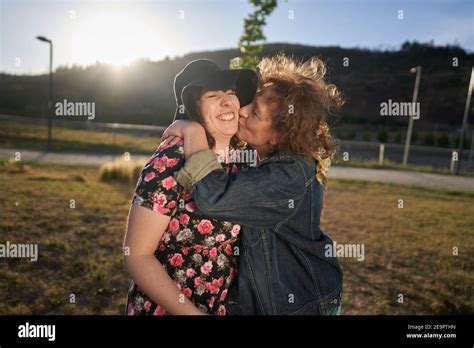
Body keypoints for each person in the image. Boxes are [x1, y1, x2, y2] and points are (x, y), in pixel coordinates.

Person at [162, 54, 344, 315]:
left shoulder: (288, 175)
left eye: (255, 113)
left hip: (302, 303)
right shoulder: (267, 154)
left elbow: (215, 197)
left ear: (278, 136)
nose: (243, 110)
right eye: (252, 101)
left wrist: (193, 132)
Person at [124, 59, 257, 315]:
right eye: (213, 95)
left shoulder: (241, 157)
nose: (228, 102)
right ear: (194, 108)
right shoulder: (173, 157)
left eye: (231, 93)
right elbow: (137, 255)